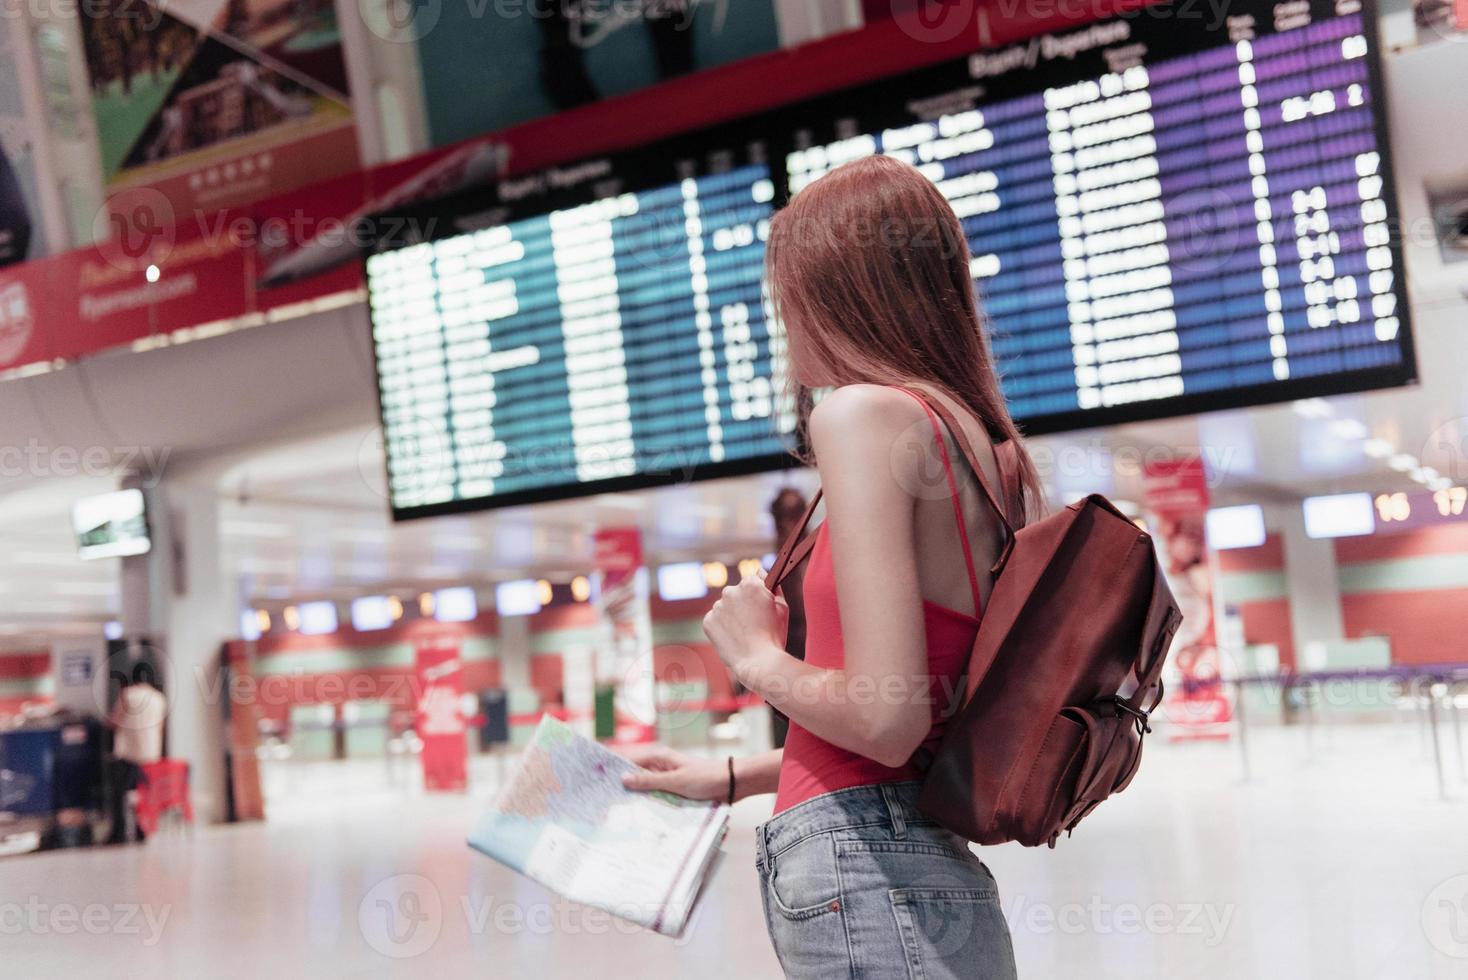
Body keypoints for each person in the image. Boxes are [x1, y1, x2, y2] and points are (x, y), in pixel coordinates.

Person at [624, 154, 1043, 978]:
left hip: (866, 872)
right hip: (918, 868)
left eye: (787, 306)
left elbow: (886, 724)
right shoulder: (988, 451)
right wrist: (737, 774)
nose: (787, 334)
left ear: (835, 297)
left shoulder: (863, 414)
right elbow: (920, 729)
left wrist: (755, 658)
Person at [105, 663, 168, 844]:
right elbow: (161, 727)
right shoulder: (159, 698)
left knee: (120, 794)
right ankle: (142, 830)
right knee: (143, 794)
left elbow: (115, 721)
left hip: (129, 754)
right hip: (151, 754)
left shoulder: (128, 695)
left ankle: (119, 832)